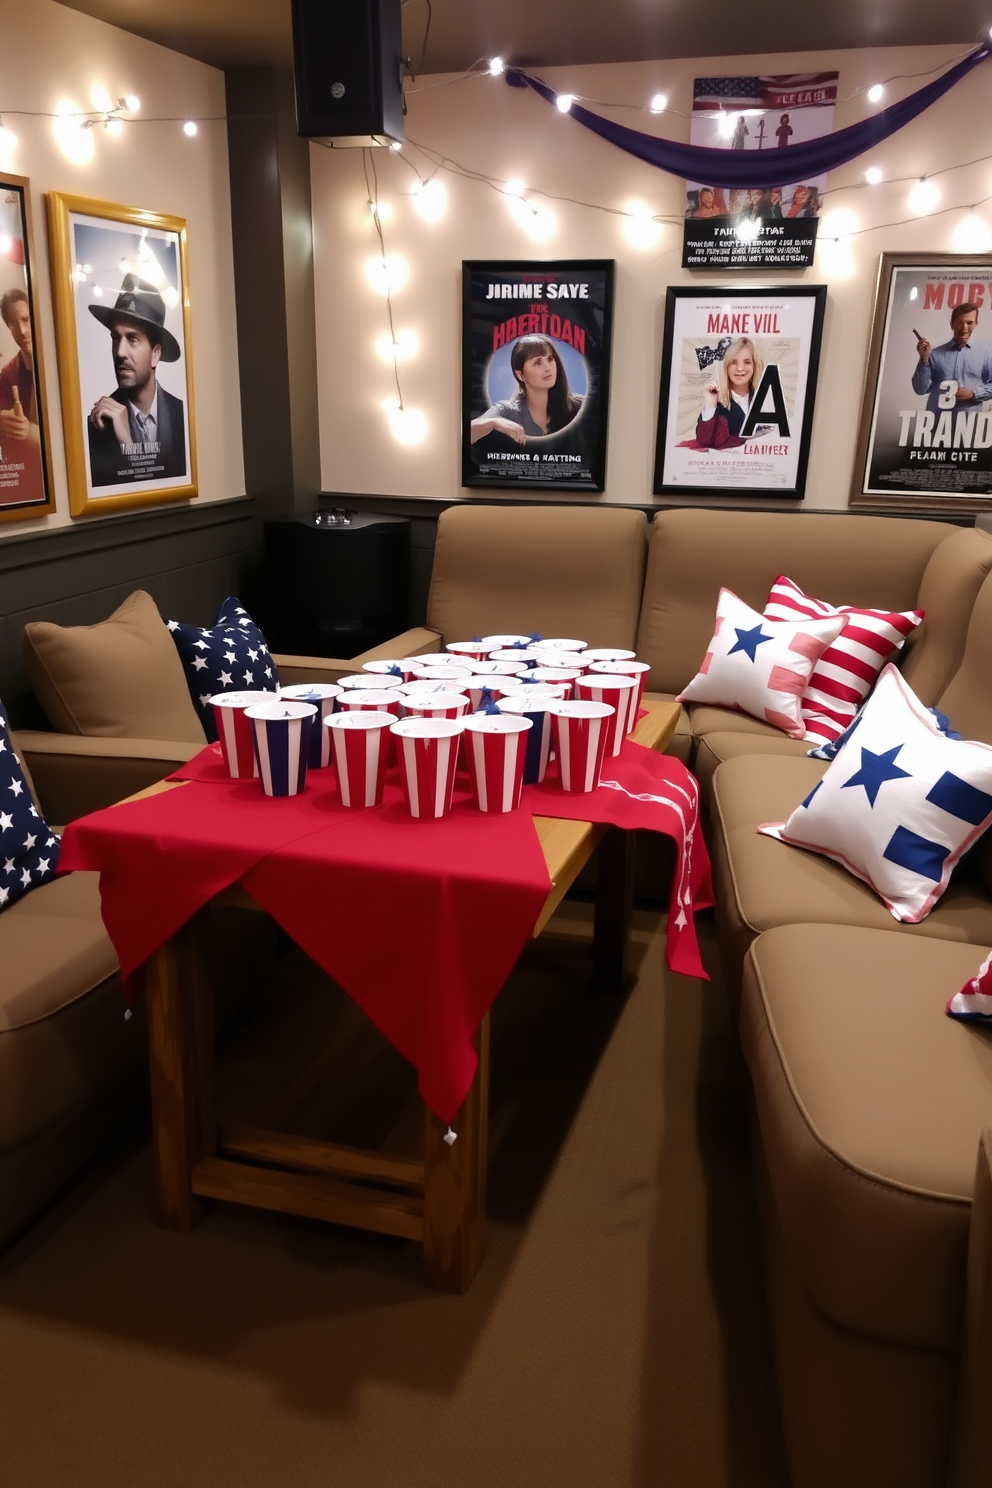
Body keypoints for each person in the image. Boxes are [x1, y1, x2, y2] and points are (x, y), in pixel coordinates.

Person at [87, 274, 186, 487]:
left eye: (133, 339)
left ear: (155, 354)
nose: (120, 352)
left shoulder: (182, 416)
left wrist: (128, 445)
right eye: (115, 337)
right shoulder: (97, 426)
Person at [471, 335, 583, 445]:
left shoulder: (579, 406)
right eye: (537, 363)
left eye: (550, 359)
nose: (548, 368)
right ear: (520, 375)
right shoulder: (507, 411)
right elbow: (467, 433)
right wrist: (493, 422)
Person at [912, 303, 992, 425]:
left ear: (976, 323)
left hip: (970, 427)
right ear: (952, 323)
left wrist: (974, 394)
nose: (964, 328)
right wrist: (924, 359)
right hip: (935, 426)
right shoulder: (934, 354)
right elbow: (920, 389)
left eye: (970, 323)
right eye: (960, 322)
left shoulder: (987, 353)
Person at [0, 286, 44, 504]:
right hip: (28, 480)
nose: (23, 330)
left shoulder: (53, 362)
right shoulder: (8, 374)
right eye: (14, 324)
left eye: (26, 319)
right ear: (8, 327)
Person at [690, 337, 765, 450]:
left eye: (747, 362)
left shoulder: (764, 398)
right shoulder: (719, 404)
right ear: (726, 367)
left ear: (755, 365)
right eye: (734, 362)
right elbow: (704, 441)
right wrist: (710, 405)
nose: (740, 368)